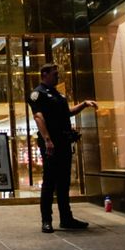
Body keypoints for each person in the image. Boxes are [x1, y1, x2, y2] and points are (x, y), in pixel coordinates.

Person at [28, 63, 97, 234]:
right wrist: (47, 140)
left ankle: (66, 218)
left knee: (64, 182)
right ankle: (47, 220)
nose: (57, 77)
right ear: (44, 74)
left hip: (64, 142)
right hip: (51, 143)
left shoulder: (58, 94)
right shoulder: (38, 94)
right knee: (49, 182)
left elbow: (68, 113)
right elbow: (38, 117)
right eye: (54, 74)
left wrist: (84, 104)